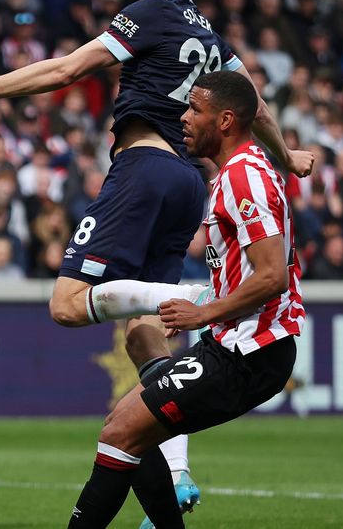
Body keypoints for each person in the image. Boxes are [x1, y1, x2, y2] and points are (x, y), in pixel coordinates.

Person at [0, 0, 314, 520]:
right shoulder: (208, 32)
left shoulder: (152, 16)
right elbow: (254, 100)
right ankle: (179, 472)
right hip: (191, 185)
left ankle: (189, 292)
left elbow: (67, 69)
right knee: (146, 340)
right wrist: (286, 156)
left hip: (144, 169)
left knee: (66, 303)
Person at [66, 70, 304, 528]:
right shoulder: (241, 173)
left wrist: (204, 312)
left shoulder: (244, 180)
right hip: (235, 342)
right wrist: (210, 307)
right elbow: (249, 270)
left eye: (196, 109)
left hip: (252, 352)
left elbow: (273, 276)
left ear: (227, 120)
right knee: (128, 427)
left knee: (121, 432)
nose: (184, 117)